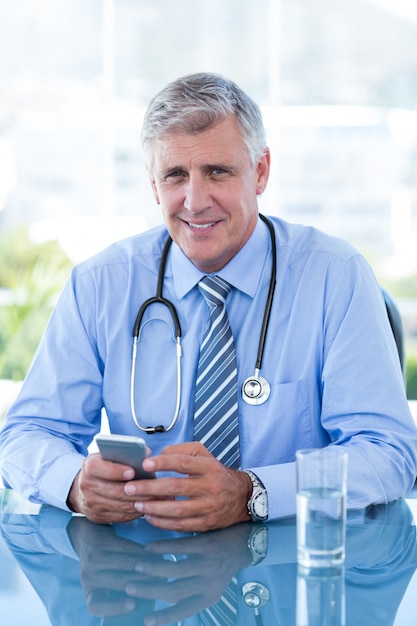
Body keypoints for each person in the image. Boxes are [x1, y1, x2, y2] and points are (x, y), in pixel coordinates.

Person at [1, 72, 416, 533]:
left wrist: (251, 493)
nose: (195, 202)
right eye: (175, 175)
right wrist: (75, 484)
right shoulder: (99, 286)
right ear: (154, 185)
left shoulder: (334, 276)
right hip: (150, 581)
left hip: (291, 576)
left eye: (217, 171)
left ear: (260, 172)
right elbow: (25, 436)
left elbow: (390, 453)